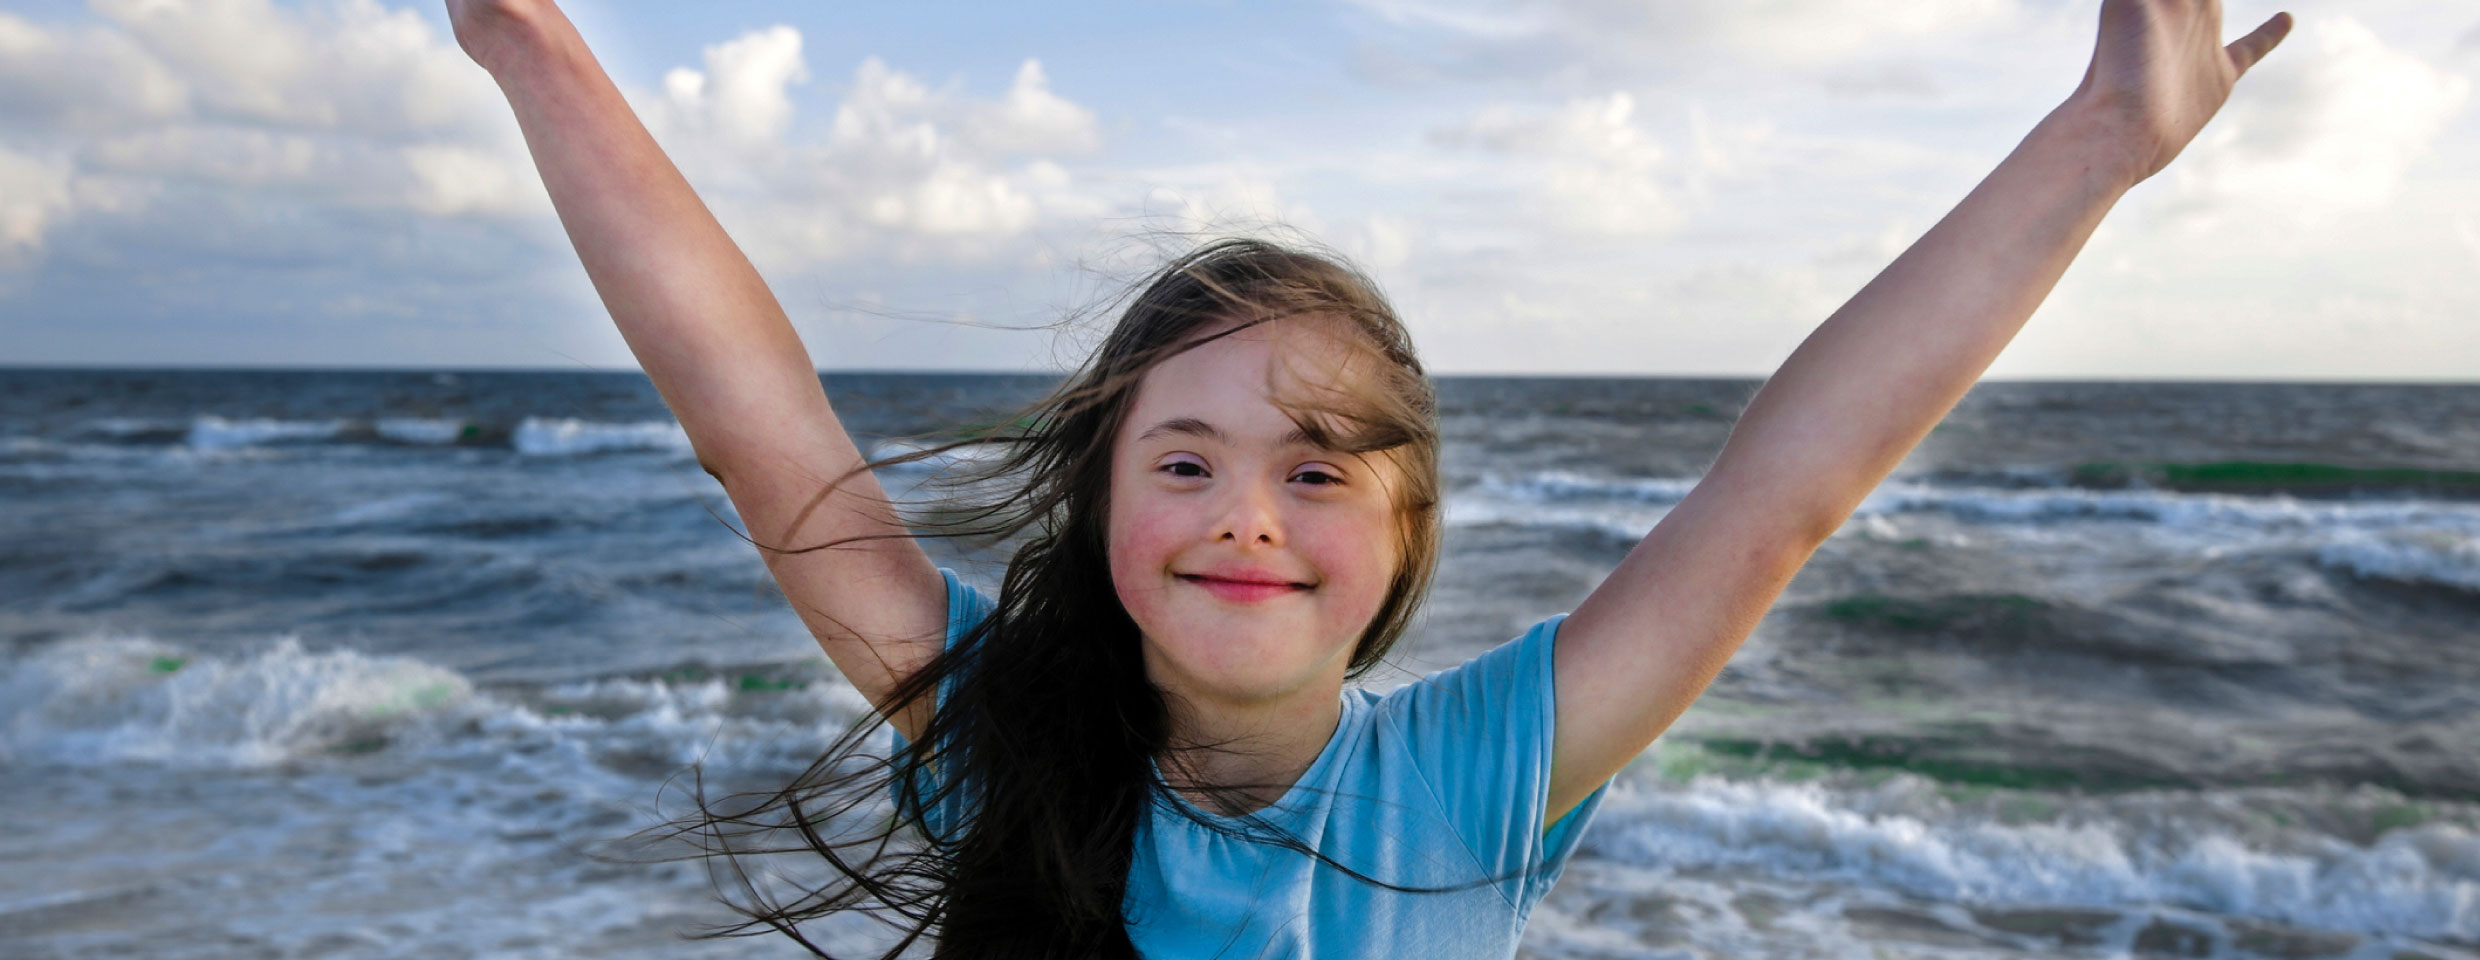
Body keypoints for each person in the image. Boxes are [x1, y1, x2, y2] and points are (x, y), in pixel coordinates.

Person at [444, 1, 2293, 956]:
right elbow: (752, 416)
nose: (1251, 509)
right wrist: (524, 35)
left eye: (1319, 470)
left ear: (1407, 539)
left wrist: (2102, 142)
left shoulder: (1475, 775)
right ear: (1102, 515)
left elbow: (1785, 484)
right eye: (1188, 457)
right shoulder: (1004, 731)